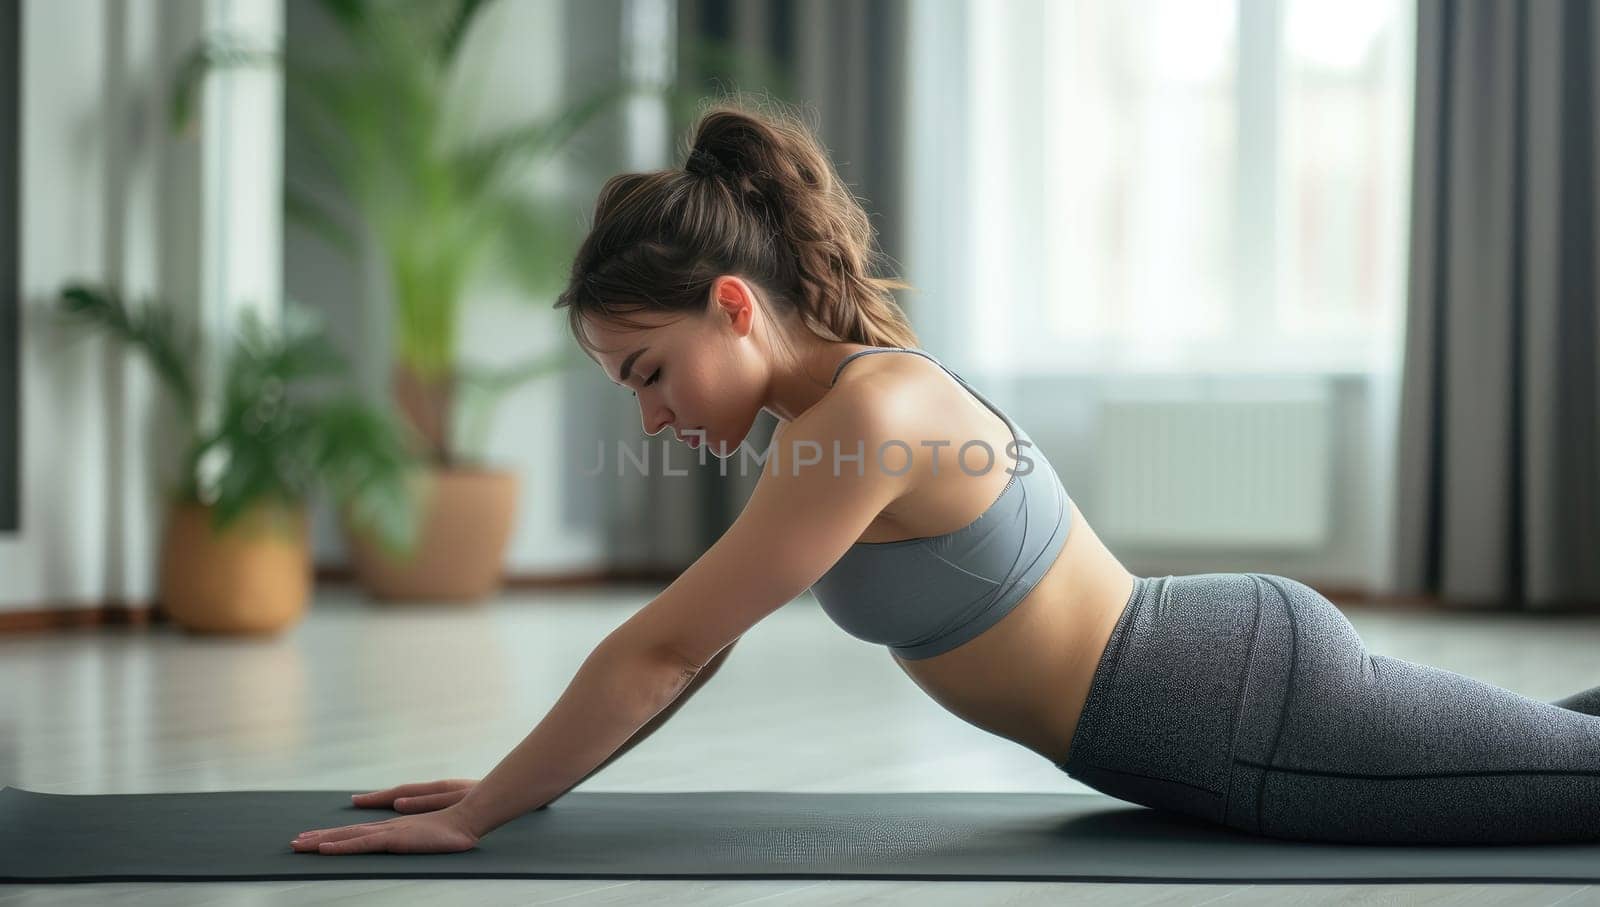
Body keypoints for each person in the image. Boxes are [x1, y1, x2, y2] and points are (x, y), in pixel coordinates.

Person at [290, 95, 1600, 856]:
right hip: (1226, 690)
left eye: (647, 371)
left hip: (1246, 716)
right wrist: (516, 787)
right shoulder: (837, 416)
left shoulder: (874, 412)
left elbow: (666, 644)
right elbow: (702, 646)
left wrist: (476, 820)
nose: (650, 417)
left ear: (733, 307)